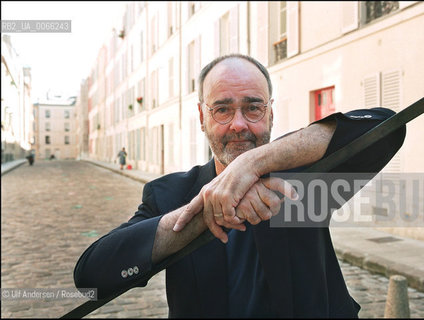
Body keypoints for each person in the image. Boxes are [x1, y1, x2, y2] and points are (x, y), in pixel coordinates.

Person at [74, 54, 406, 318]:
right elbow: (91, 277)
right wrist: (206, 215)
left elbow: (388, 127)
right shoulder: (169, 194)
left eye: (253, 108)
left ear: (271, 113)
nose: (238, 124)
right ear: (201, 117)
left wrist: (255, 162)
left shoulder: (307, 177)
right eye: (222, 110)